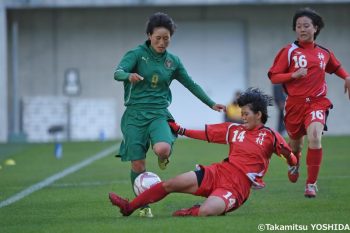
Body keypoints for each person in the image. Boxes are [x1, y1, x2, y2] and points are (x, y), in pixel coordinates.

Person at [108, 88, 298, 217]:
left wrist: (291, 163)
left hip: (237, 188)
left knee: (207, 211)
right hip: (218, 172)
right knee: (170, 184)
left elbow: (291, 159)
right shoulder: (234, 129)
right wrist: (181, 130)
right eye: (241, 113)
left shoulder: (271, 136)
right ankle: (128, 207)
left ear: (259, 115)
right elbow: (206, 134)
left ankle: (191, 212)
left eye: (246, 114)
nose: (242, 117)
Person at [113, 12, 225, 217]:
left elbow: (190, 84)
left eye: (166, 38)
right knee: (138, 163)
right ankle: (143, 206)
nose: (162, 42)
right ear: (149, 35)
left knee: (163, 149)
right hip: (135, 115)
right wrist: (129, 75)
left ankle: (163, 157)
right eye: (158, 38)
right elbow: (117, 73)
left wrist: (211, 103)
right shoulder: (136, 54)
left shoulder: (173, 62)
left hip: (158, 114)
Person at [268, 7, 350, 198]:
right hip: (295, 105)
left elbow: (336, 67)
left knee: (315, 135)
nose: (302, 29)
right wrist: (293, 74)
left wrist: (347, 77)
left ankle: (311, 184)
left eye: (306, 26)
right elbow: (274, 76)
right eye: (298, 26)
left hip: (317, 102)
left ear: (316, 28)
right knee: (295, 147)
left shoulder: (324, 53)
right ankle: (293, 164)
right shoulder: (289, 51)